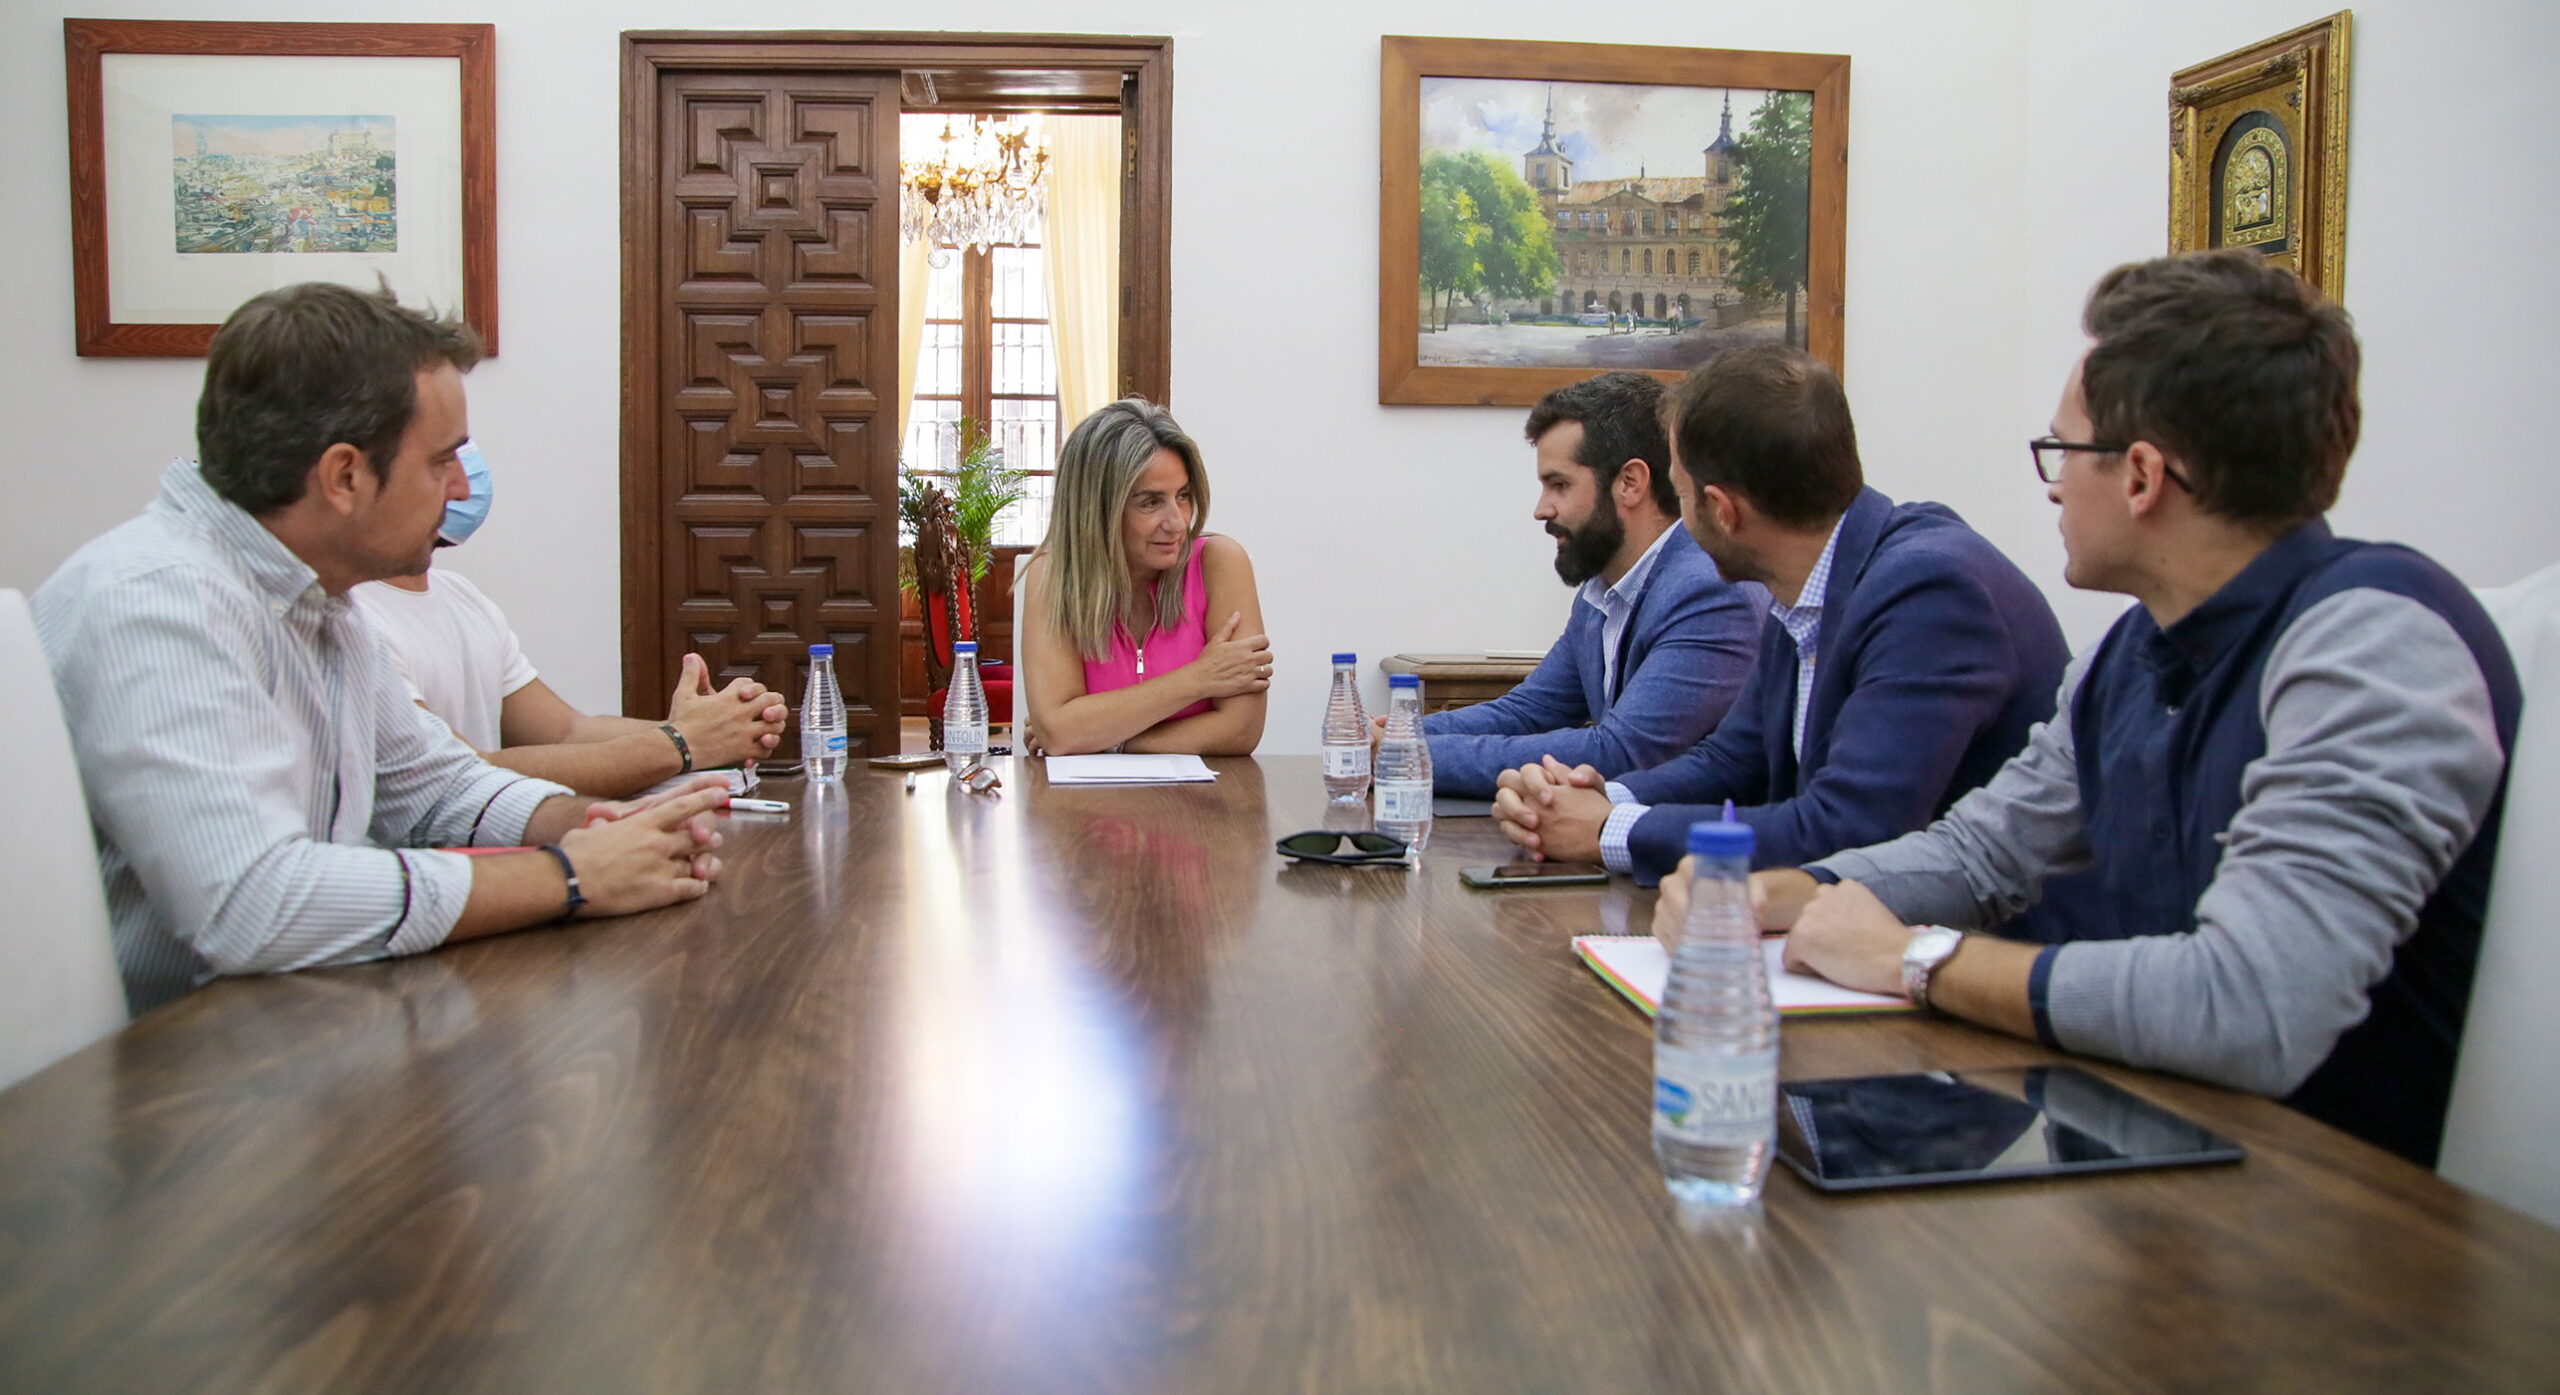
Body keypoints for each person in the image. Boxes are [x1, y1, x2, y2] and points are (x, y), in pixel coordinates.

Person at [1661, 250, 2519, 1165]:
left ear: (2143, 476)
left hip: (2318, 1220)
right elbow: (1985, 849)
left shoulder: (2373, 645)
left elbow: (2252, 1007)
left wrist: (1915, 959)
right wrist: (1799, 893)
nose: (2053, 482)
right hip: (2142, 1154)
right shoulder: (2132, 647)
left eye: (2061, 449)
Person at [34, 282, 733, 1013]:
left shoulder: (320, 601)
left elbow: (435, 786)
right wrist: (568, 875)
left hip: (284, 1032)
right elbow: (250, 905)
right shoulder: (161, 599)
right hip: (163, 1079)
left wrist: (598, 825)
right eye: (441, 461)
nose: (461, 486)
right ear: (344, 476)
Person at [1495, 344, 2074, 889]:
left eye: (1681, 494)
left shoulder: (1929, 591)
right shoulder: (1806, 580)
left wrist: (1607, 830)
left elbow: (1850, 829)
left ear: (1722, 510)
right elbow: (1732, 761)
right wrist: (1604, 795)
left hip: (1986, 957)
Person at [353, 444, 788, 799]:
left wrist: (713, 727)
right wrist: (682, 743)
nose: (465, 485)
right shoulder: (353, 617)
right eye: (443, 456)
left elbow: (566, 731)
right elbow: (461, 773)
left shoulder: (461, 597)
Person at [1406, 372, 1765, 797]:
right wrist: (1398, 731)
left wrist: (1403, 756)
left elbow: (1620, 753)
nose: (1542, 510)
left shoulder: (1709, 591)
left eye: (1559, 485)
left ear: (1630, 483)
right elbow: (1530, 710)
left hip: (1703, 855)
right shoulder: (1602, 590)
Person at [1019, 398, 1269, 755]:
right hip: (1082, 810)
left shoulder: (1221, 563)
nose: (1177, 522)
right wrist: (1199, 678)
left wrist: (1105, 740)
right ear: (1097, 509)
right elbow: (1060, 732)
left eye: (1183, 496)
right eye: (1150, 502)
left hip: (1205, 806)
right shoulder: (1051, 576)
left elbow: (1241, 730)